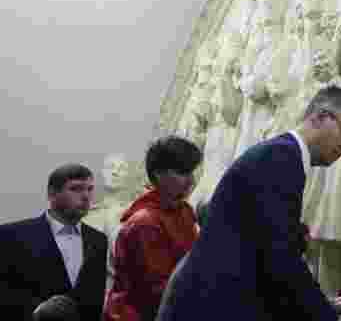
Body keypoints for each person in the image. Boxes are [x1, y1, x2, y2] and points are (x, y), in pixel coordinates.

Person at [158, 85, 341, 321]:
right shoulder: (282, 158)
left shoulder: (282, 154)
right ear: (320, 117)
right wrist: (323, 313)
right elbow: (279, 258)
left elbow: (264, 243)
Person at [102, 137, 201, 321]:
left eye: (191, 172)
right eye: (182, 172)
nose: (191, 181)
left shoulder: (184, 211)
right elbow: (157, 290)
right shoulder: (144, 223)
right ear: (158, 174)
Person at [0, 164, 109, 321]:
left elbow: (94, 300)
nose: (86, 196)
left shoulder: (98, 240)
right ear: (52, 193)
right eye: (76, 189)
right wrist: (36, 310)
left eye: (90, 189)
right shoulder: (11, 235)